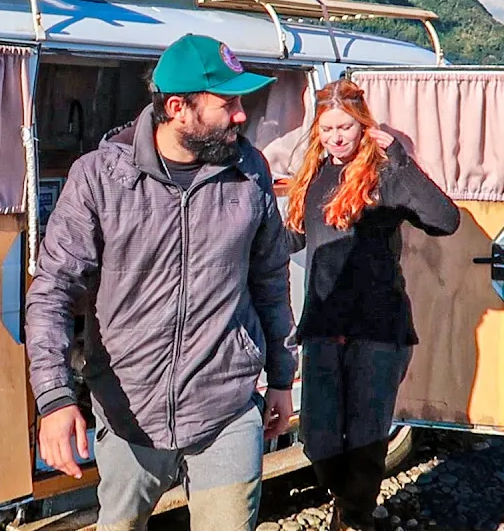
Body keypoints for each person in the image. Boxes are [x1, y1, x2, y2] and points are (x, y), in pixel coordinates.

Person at [25, 33, 299, 531]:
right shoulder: (100, 178)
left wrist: (281, 377)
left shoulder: (249, 172)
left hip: (226, 406)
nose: (242, 115)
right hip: (130, 410)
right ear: (177, 108)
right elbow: (52, 291)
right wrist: (55, 398)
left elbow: (269, 279)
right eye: (227, 103)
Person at [282, 79, 460, 531]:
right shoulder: (314, 177)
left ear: (364, 126)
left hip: (379, 326)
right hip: (323, 324)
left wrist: (400, 160)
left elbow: (445, 220)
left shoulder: (386, 175)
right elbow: (292, 239)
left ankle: (353, 517)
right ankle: (346, 502)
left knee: (366, 438)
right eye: (327, 130)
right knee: (318, 438)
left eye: (345, 127)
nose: (336, 138)